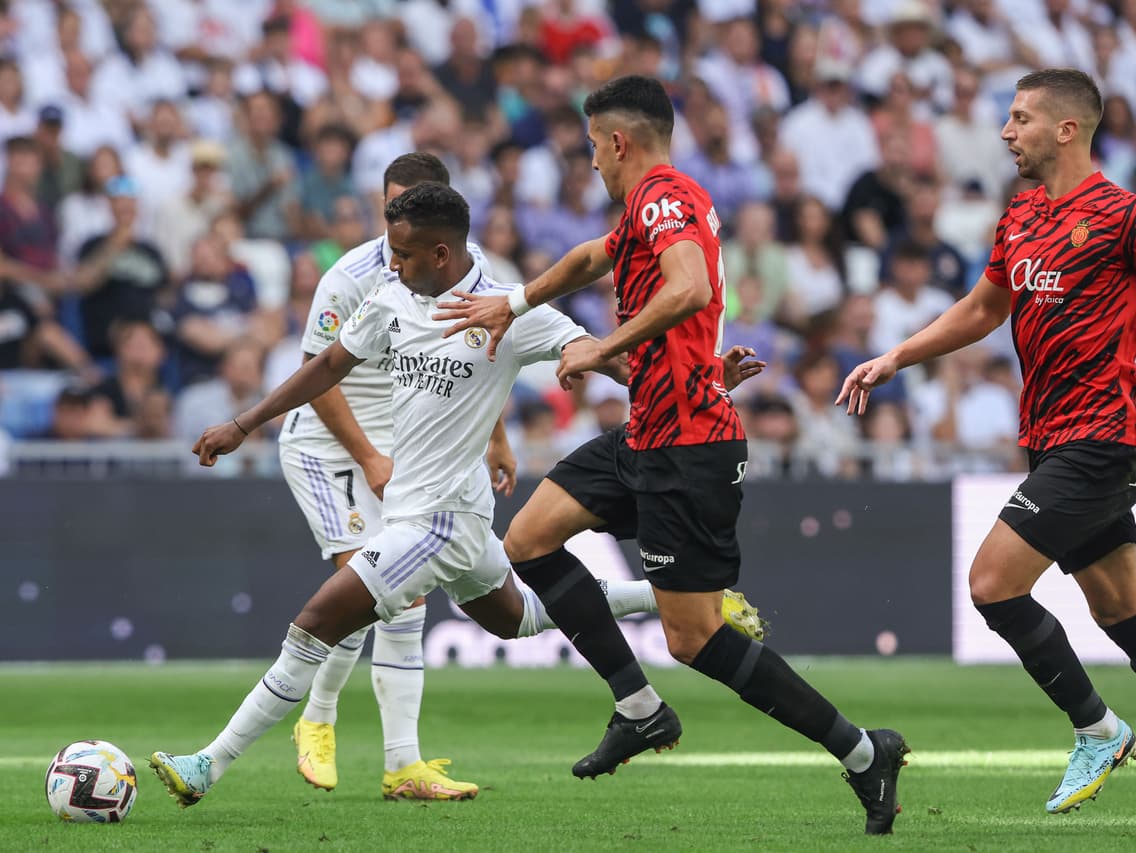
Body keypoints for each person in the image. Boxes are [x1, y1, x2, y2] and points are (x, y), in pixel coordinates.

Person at [148, 180, 763, 809]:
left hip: (436, 522)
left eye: (405, 253)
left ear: (442, 254)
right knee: (517, 617)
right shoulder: (391, 299)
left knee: (312, 627)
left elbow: (602, 355)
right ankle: (675, 600)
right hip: (454, 517)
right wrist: (244, 423)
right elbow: (329, 365)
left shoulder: (508, 310)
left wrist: (708, 377)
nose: (392, 263)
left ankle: (207, 764)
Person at [434, 75, 909, 836]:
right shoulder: (652, 206)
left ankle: (861, 751)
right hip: (651, 430)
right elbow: (595, 256)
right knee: (527, 538)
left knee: (694, 638)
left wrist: (602, 345)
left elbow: (688, 288)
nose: (590, 161)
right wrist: (514, 302)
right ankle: (639, 706)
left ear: (619, 141)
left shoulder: (663, 196)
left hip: (690, 447)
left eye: (593, 146)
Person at [838, 68, 1136, 824]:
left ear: (1066, 129)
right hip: (1050, 436)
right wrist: (898, 355)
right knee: (1118, 606)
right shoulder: (1021, 214)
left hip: (1106, 435)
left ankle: (1098, 729)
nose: (1006, 131)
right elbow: (981, 308)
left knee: (992, 582)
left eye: (1020, 117)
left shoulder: (1128, 216)